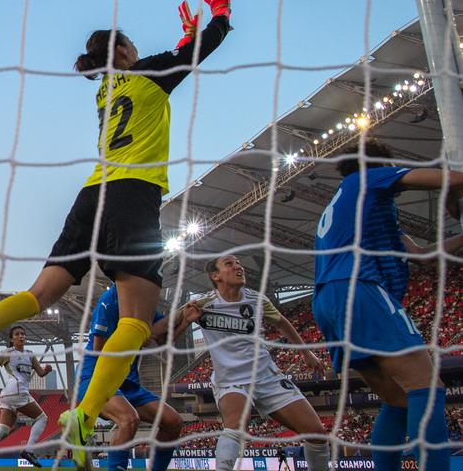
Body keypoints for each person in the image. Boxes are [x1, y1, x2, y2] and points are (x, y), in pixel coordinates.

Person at [0, 0, 233, 470]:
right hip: (133, 196)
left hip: (91, 195)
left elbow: (173, 56)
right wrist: (219, 15)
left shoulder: (106, 88)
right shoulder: (148, 75)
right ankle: (84, 416)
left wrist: (184, 38)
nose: (139, 50)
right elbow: (201, 51)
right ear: (124, 51)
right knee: (135, 321)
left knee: (38, 294)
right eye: (133, 44)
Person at [312, 138, 463, 471]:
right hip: (358, 288)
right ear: (379, 163)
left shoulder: (357, 204)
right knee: (427, 388)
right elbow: (453, 178)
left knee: (397, 400)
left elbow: (423, 255)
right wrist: (452, 194)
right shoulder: (368, 177)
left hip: (328, 302)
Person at [174, 255, 331, 471]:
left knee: (317, 435)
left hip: (266, 376)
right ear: (215, 276)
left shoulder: (257, 300)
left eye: (239, 263)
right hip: (231, 380)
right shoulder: (202, 303)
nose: (238, 266)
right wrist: (177, 322)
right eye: (229, 264)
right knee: (235, 427)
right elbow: (168, 330)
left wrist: (307, 353)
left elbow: (284, 324)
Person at [78, 285, 198, 471]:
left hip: (127, 384)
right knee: (128, 419)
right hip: (96, 378)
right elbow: (98, 349)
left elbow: (162, 339)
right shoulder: (109, 301)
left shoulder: (144, 304)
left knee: (173, 422)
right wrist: (136, 337)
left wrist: (185, 320)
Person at [0, 326, 51, 467]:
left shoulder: (30, 355)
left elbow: (40, 373)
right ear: (11, 339)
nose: (21, 336)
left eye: (23, 334)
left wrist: (47, 370)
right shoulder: (8, 353)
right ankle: (29, 450)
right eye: (17, 334)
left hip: (6, 396)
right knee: (42, 418)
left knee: (2, 430)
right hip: (18, 392)